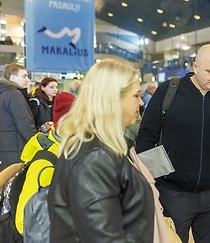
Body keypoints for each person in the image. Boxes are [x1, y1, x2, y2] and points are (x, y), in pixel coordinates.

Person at [136, 44, 210, 243]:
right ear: (195, 66)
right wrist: (156, 181)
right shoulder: (169, 91)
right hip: (172, 194)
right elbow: (145, 139)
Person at [48, 59, 156, 242]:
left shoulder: (96, 148)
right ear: (113, 99)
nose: (140, 103)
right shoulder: (95, 159)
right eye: (135, 96)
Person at [0, 63, 36, 171]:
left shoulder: (1, 94)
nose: (27, 79)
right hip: (16, 153)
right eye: (24, 76)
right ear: (12, 78)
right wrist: (37, 145)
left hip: (4, 151)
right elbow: (25, 126)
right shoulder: (14, 95)